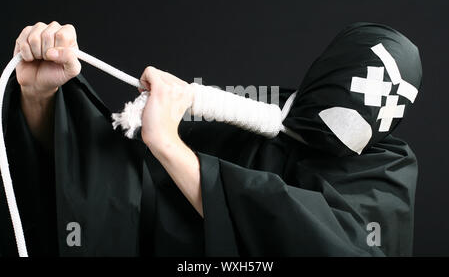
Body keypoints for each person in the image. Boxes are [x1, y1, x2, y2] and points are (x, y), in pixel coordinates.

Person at [0, 21, 421, 256]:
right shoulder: (259, 131)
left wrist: (170, 147)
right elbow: (102, 187)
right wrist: (41, 97)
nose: (345, 125)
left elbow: (332, 246)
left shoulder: (386, 175)